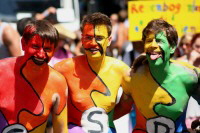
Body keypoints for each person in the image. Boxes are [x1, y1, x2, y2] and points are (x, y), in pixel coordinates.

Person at [114, 19, 200, 133]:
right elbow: (122, 108)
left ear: (172, 47)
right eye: (149, 40)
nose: (153, 45)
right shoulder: (132, 77)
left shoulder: (190, 77)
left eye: (159, 41)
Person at [54, 12, 130, 133]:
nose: (93, 43)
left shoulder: (122, 70)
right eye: (88, 37)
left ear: (109, 40)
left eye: (99, 38)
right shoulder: (63, 68)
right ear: (82, 39)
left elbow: (126, 106)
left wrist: (105, 121)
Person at [0, 20, 68, 133]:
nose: (41, 54)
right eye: (35, 46)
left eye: (47, 49)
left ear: (54, 50)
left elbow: (61, 130)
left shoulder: (57, 82)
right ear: (23, 44)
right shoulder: (2, 71)